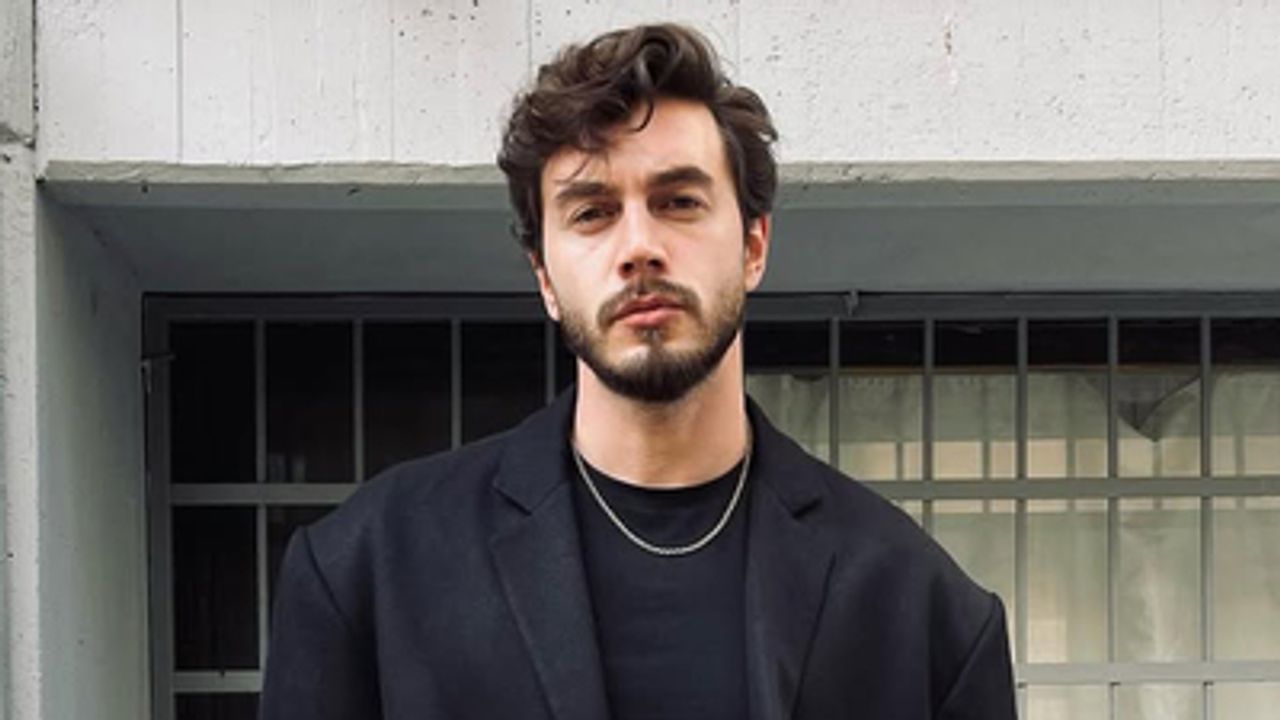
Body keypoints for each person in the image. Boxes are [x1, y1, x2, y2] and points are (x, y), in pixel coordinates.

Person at [261, 23, 1016, 720]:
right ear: (545, 277)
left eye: (678, 201)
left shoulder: (923, 610)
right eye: (591, 212)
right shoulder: (368, 573)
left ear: (754, 247)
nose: (638, 248)